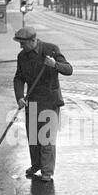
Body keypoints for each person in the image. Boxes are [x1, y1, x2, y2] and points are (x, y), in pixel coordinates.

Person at [13, 26, 73, 182]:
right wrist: (20, 96)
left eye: (23, 43)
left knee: (46, 139)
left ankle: (47, 171)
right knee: (33, 138)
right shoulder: (22, 56)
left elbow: (69, 69)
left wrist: (55, 65)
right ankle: (36, 165)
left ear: (33, 41)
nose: (21, 46)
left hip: (49, 102)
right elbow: (18, 78)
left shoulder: (51, 50)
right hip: (32, 101)